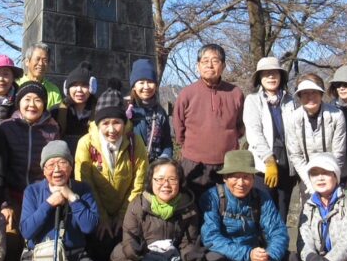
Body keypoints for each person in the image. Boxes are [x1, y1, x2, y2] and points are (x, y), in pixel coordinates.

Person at [0, 141, 114, 261]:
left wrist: (72, 198)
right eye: (50, 164)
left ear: (71, 166)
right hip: (38, 258)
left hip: (74, 258)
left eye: (62, 163)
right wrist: (49, 204)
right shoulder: (33, 191)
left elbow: (89, 226)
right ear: (43, 170)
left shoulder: (82, 189)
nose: (57, 169)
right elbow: (27, 231)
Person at [199, 150, 292, 261]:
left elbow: (278, 232)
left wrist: (269, 259)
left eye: (246, 177)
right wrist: (247, 254)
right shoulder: (212, 197)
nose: (241, 183)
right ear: (225, 178)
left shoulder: (261, 198)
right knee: (212, 259)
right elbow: (211, 238)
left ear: (253, 178)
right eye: (235, 177)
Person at [74, 82, 148, 261]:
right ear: (98, 123)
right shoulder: (86, 144)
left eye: (116, 122)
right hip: (96, 210)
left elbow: (138, 182)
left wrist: (124, 216)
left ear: (124, 123)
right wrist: (103, 217)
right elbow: (85, 183)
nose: (112, 129)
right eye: (105, 123)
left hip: (127, 209)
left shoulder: (135, 142)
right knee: (100, 244)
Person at [0, 81, 61, 261]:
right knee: (10, 239)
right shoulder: (6, 127)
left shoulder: (53, 129)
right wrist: (4, 203)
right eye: (27, 99)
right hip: (12, 194)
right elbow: (0, 169)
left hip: (40, 195)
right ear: (19, 103)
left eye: (37, 100)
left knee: (41, 238)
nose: (32, 104)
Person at [172, 44, 245, 200]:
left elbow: (240, 126)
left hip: (228, 164)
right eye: (205, 61)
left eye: (215, 61)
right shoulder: (187, 93)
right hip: (194, 164)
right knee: (193, 206)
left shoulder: (236, 93)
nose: (210, 65)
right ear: (198, 66)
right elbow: (179, 127)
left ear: (223, 66)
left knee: (226, 207)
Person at [243, 56, 299, 220]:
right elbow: (254, 133)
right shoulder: (253, 100)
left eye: (275, 73)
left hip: (287, 163)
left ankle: (280, 238)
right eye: (266, 73)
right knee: (264, 212)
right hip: (263, 165)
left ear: (281, 76)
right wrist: (268, 159)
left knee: (282, 212)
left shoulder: (290, 101)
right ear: (260, 78)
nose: (271, 77)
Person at [287, 74, 347, 194]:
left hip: (336, 176)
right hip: (308, 178)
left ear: (321, 94)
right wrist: (310, 183)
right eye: (305, 93)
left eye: (314, 92)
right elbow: (296, 155)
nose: (310, 97)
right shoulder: (293, 119)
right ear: (299, 96)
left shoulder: (336, 115)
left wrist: (332, 179)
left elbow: (339, 152)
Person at [126, 57, 173, 161]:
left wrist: (164, 159)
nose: (146, 87)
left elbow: (167, 143)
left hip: (155, 165)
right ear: (134, 86)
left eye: (150, 82)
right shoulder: (127, 110)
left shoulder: (160, 112)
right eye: (141, 82)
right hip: (131, 165)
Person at [56, 60, 97, 153]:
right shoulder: (56, 111)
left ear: (92, 87)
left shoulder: (99, 111)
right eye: (74, 85)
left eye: (84, 85)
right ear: (67, 88)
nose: (79, 90)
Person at [17, 42, 63, 110]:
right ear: (27, 62)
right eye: (37, 59)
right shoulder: (15, 85)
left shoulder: (54, 90)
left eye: (45, 60)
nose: (41, 64)